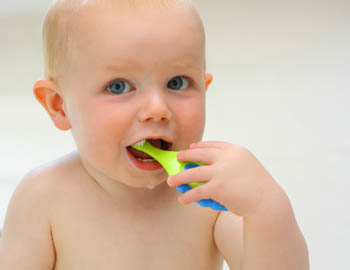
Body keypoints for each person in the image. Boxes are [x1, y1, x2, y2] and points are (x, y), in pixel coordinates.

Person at [0, 0, 309, 269]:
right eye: (119, 86)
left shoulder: (207, 194)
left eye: (177, 82)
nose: (157, 108)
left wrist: (266, 208)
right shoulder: (43, 198)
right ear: (60, 106)